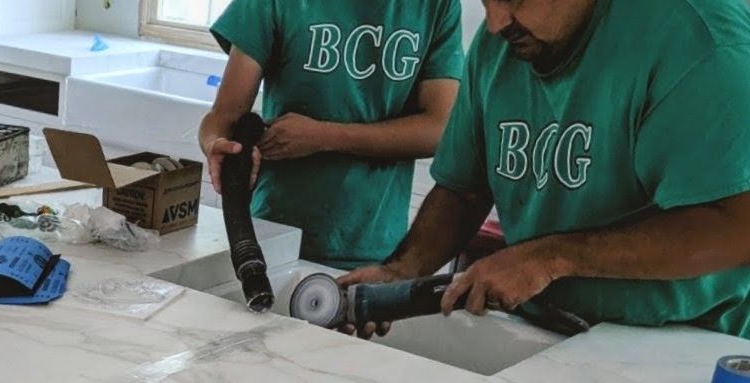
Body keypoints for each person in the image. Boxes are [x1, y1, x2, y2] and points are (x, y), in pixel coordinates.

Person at [343, 0, 750, 338]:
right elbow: (465, 190)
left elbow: (737, 228)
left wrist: (550, 258)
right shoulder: (499, 44)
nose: (496, 22)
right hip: (545, 327)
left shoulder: (701, 43)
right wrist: (401, 270)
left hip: (687, 347)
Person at [198, 0, 466, 270]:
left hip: (376, 251)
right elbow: (223, 116)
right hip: (274, 236)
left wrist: (323, 137)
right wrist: (215, 143)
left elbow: (440, 129)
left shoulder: (437, 6)